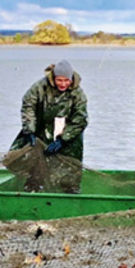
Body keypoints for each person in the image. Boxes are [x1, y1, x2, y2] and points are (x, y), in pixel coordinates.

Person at [9, 60, 88, 193]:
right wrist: (30, 131)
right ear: (54, 78)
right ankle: (33, 188)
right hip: (42, 127)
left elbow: (80, 119)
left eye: (66, 81)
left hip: (69, 130)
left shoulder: (78, 93)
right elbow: (28, 107)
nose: (63, 84)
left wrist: (63, 139)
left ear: (71, 79)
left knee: (71, 162)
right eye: (59, 80)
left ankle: (70, 189)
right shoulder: (40, 87)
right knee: (36, 160)